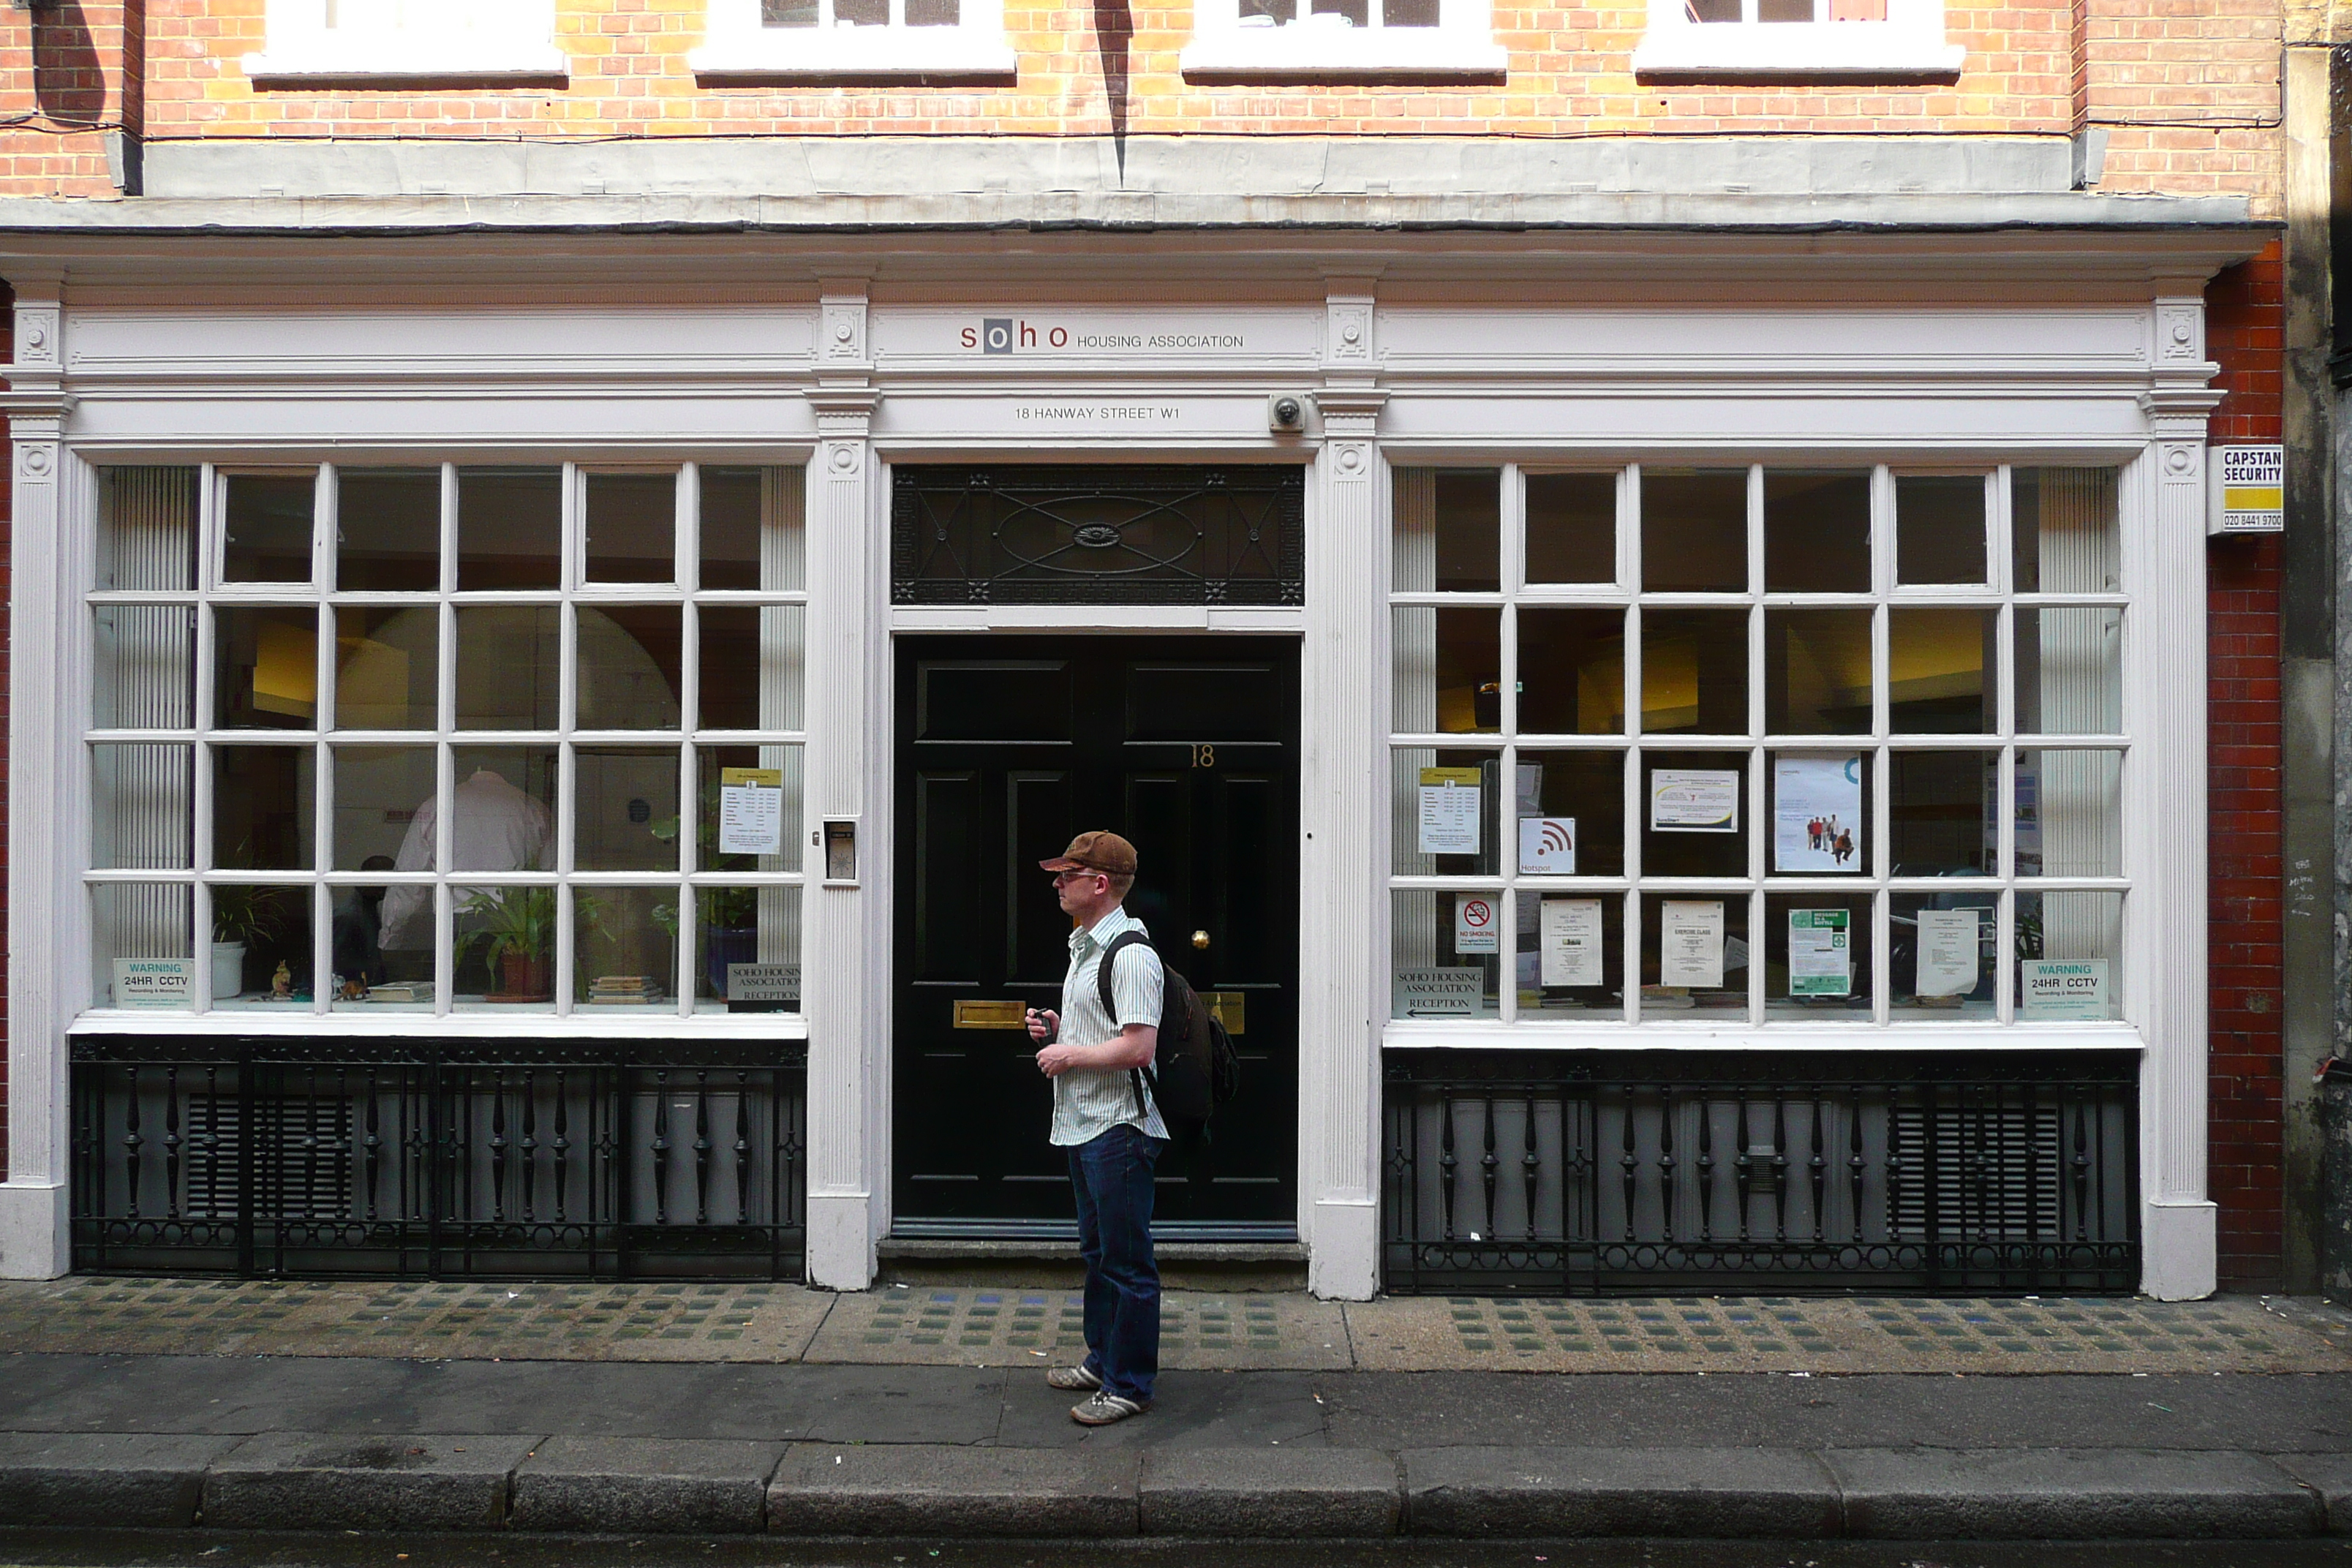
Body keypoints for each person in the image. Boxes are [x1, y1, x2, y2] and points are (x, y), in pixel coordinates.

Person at [1024, 829, 1166, 1427]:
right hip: (1085, 1125)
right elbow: (1107, 1028)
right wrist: (1060, 1028)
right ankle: (1102, 1359)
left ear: (1100, 883)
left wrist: (1066, 1056)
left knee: (1127, 1262)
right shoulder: (1085, 948)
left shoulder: (1130, 954)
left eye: (1068, 875)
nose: (1057, 883)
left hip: (1119, 1129)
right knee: (1098, 1253)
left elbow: (1138, 1048)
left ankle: (1129, 1385)